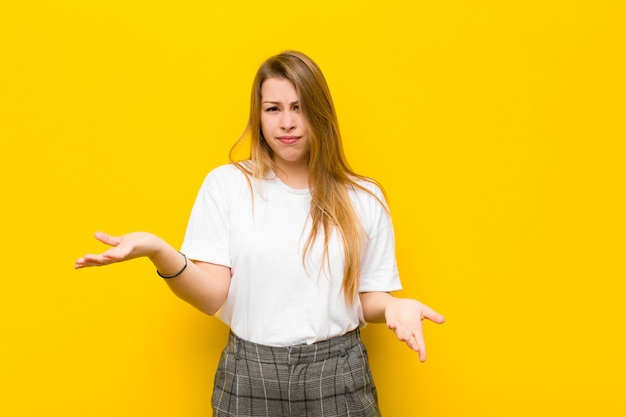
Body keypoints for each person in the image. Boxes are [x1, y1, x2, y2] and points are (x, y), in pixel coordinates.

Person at [75, 50, 444, 417]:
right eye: (273, 109)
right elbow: (210, 297)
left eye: (300, 107)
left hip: (338, 376)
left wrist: (394, 305)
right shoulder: (227, 186)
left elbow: (365, 299)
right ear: (259, 115)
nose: (287, 123)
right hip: (249, 373)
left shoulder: (363, 197)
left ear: (321, 113)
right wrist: (157, 250)